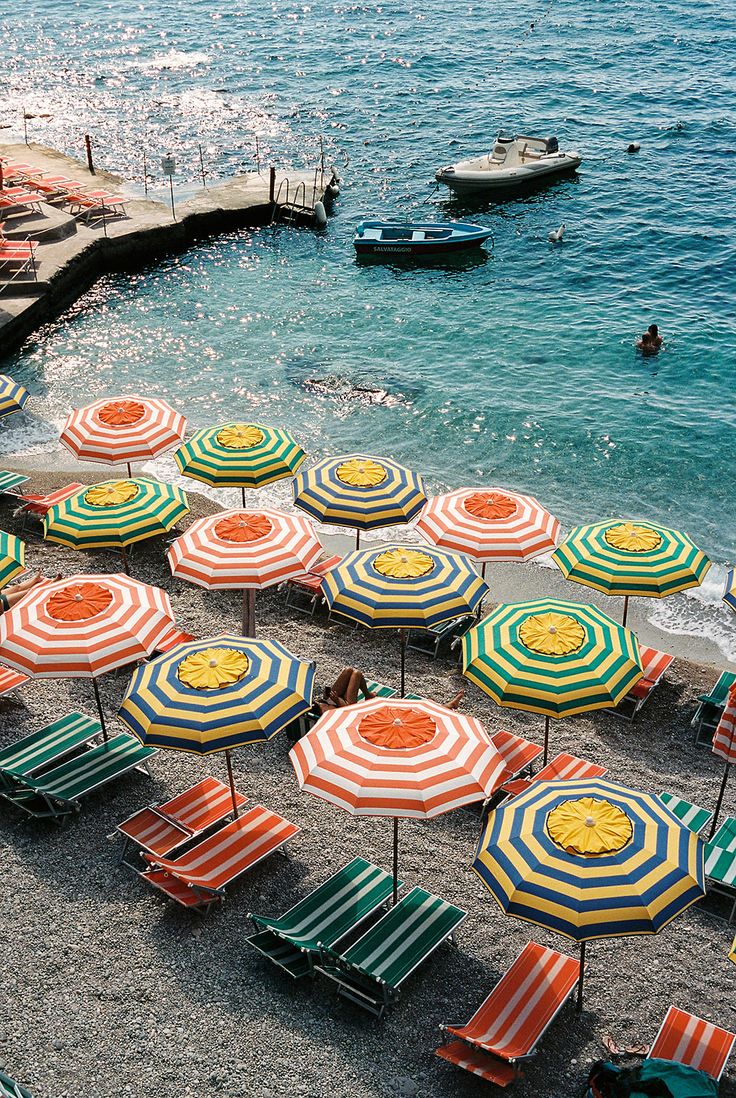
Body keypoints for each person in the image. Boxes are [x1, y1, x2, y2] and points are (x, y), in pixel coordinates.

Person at [311, 667, 465, 716]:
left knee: (352, 671)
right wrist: (337, 701)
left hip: (337, 703)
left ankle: (368, 696)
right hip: (348, 708)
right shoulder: (326, 715)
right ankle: (447, 707)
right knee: (412, 712)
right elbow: (347, 712)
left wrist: (328, 698)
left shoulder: (315, 705)